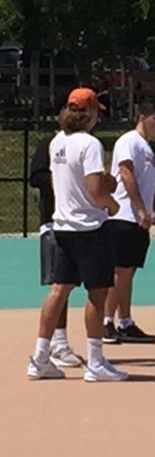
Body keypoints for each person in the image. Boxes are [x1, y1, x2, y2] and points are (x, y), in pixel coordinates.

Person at [26, 87, 128, 381]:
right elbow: (95, 190)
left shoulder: (57, 141)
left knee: (59, 288)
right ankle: (95, 363)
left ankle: (40, 358)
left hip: (62, 225)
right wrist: (113, 205)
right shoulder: (90, 143)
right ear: (91, 113)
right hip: (89, 227)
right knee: (97, 292)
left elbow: (73, 180)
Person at [103, 102, 155, 343]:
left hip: (139, 219)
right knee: (120, 271)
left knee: (129, 272)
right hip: (124, 216)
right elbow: (126, 173)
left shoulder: (147, 148)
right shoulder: (129, 140)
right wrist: (139, 207)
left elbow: (145, 181)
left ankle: (125, 322)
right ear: (141, 116)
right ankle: (106, 322)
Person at [29, 113, 81, 367]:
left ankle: (57, 343)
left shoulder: (84, 144)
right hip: (53, 221)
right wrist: (60, 176)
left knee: (68, 284)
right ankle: (55, 345)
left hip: (77, 223)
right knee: (61, 284)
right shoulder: (49, 143)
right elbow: (35, 177)